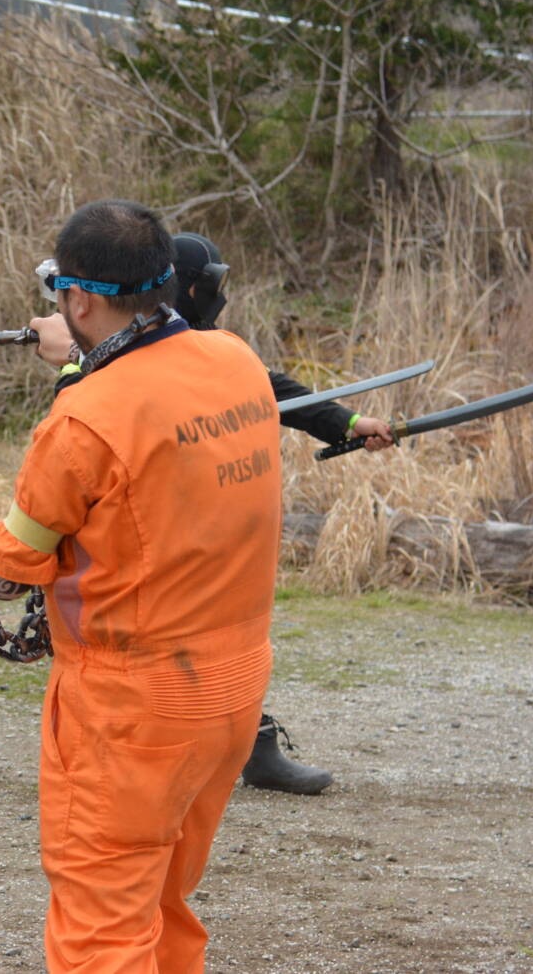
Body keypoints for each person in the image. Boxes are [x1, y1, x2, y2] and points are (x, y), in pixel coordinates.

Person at [0, 199, 283, 972]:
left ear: (79, 300)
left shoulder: (84, 418)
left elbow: (1, 571)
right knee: (163, 907)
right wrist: (84, 357)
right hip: (232, 692)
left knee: (102, 933)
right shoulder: (236, 361)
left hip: (130, 713)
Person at [27, 231, 394, 795]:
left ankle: (248, 738)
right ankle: (138, 757)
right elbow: (82, 428)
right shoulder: (121, 352)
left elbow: (267, 388)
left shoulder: (205, 348)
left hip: (203, 514)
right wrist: (76, 361)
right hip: (144, 524)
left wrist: (344, 423)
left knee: (217, 629)